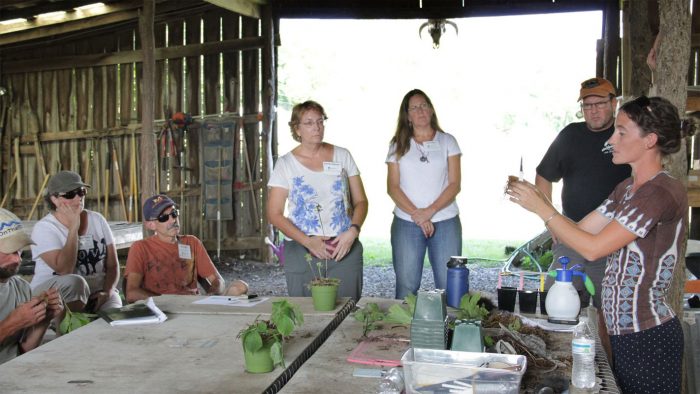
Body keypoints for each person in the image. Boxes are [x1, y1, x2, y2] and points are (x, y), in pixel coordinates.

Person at [508, 96, 691, 393]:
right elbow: (579, 233)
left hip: (649, 337)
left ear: (650, 140)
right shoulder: (627, 189)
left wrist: (542, 209)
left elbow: (594, 248)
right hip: (623, 333)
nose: (611, 139)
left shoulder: (660, 192)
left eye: (621, 132)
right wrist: (536, 198)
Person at [536, 77, 631, 308]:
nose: (594, 111)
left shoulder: (626, 137)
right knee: (555, 301)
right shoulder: (570, 135)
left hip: (614, 237)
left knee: (610, 308)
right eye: (587, 106)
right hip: (572, 233)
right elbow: (543, 177)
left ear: (614, 103)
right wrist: (551, 221)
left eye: (600, 104)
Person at [267, 100, 368, 301]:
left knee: (346, 312)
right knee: (306, 313)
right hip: (302, 248)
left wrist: (353, 231)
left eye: (320, 121)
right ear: (297, 129)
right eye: (309, 123)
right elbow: (274, 214)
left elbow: (361, 201)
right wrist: (308, 242)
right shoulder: (286, 164)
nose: (317, 127)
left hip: (343, 246)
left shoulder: (342, 155)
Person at [386, 89, 462, 299]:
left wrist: (429, 212)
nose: (420, 110)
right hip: (407, 222)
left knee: (450, 283)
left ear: (431, 109)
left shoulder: (448, 141)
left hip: (445, 221)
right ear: (407, 116)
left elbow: (455, 184)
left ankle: (451, 330)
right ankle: (403, 331)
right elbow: (392, 187)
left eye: (424, 105)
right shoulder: (397, 145)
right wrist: (418, 216)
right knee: (407, 283)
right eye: (414, 107)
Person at [124, 194, 249, 303]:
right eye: (164, 217)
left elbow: (218, 280)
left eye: (174, 213)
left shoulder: (191, 242)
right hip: (161, 307)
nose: (173, 219)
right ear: (151, 225)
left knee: (240, 287)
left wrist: (212, 294)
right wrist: (165, 301)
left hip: (192, 305)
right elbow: (132, 293)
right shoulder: (140, 248)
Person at [30, 170, 119, 313]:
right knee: (75, 282)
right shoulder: (44, 229)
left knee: (116, 318)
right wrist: (73, 229)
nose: (78, 198)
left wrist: (107, 292)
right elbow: (65, 270)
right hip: (55, 295)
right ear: (54, 199)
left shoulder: (97, 220)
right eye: (70, 194)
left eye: (81, 192)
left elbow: (113, 265)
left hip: (96, 293)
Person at [0, 208, 63, 364]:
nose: (17, 259)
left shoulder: (21, 287)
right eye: (9, 250)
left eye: (19, 250)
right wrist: (11, 324)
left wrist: (43, 319)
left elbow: (22, 351)